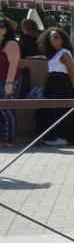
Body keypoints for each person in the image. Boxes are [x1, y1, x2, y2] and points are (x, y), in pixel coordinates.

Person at [35, 28, 74, 147]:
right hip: (52, 85)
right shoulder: (54, 54)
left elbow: (72, 72)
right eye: (51, 37)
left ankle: (62, 137)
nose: (53, 39)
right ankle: (51, 135)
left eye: (56, 36)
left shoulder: (65, 53)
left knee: (59, 110)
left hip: (61, 85)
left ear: (63, 40)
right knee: (48, 110)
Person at [1, 17, 21, 148]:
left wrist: (9, 84)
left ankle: (9, 140)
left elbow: (13, 65)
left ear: (7, 29)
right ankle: (3, 139)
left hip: (10, 80)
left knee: (6, 109)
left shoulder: (11, 44)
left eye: (2, 26)